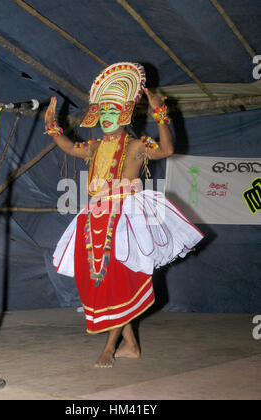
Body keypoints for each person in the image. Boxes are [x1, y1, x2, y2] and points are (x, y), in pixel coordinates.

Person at [45, 63, 204, 368]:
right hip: (93, 218)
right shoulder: (93, 147)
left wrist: (160, 115)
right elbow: (68, 146)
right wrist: (53, 126)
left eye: (112, 111)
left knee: (117, 280)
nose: (106, 116)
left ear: (125, 114)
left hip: (125, 218)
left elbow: (168, 149)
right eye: (102, 111)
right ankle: (131, 344)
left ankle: (109, 346)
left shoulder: (136, 145)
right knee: (100, 282)